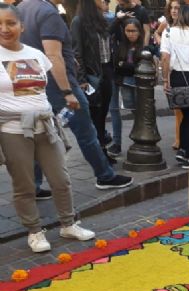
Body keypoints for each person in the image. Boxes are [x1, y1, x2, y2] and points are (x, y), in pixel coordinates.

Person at [0, 3, 95, 252]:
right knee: (25, 185)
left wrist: (68, 94)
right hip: (13, 130)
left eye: (10, 23)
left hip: (46, 124)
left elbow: (46, 84)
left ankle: (68, 224)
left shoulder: (36, 53)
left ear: (22, 26)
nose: (5, 29)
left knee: (61, 180)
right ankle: (34, 231)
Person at [18, 0, 133, 191]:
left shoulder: (22, 7)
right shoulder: (48, 13)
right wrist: (67, 92)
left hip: (31, 82)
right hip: (57, 85)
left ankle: (34, 186)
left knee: (37, 135)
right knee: (86, 132)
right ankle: (105, 175)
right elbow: (53, 55)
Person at [160, 5, 189, 168]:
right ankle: (186, 153)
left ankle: (182, 148)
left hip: (176, 77)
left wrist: (165, 80)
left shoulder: (168, 32)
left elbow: (165, 58)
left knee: (182, 114)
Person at [71, 0, 115, 164]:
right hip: (92, 75)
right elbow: (77, 53)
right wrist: (81, 79)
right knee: (95, 115)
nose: (104, 1)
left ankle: (103, 150)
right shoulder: (79, 21)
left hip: (106, 71)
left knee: (103, 114)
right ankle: (99, 154)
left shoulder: (103, 20)